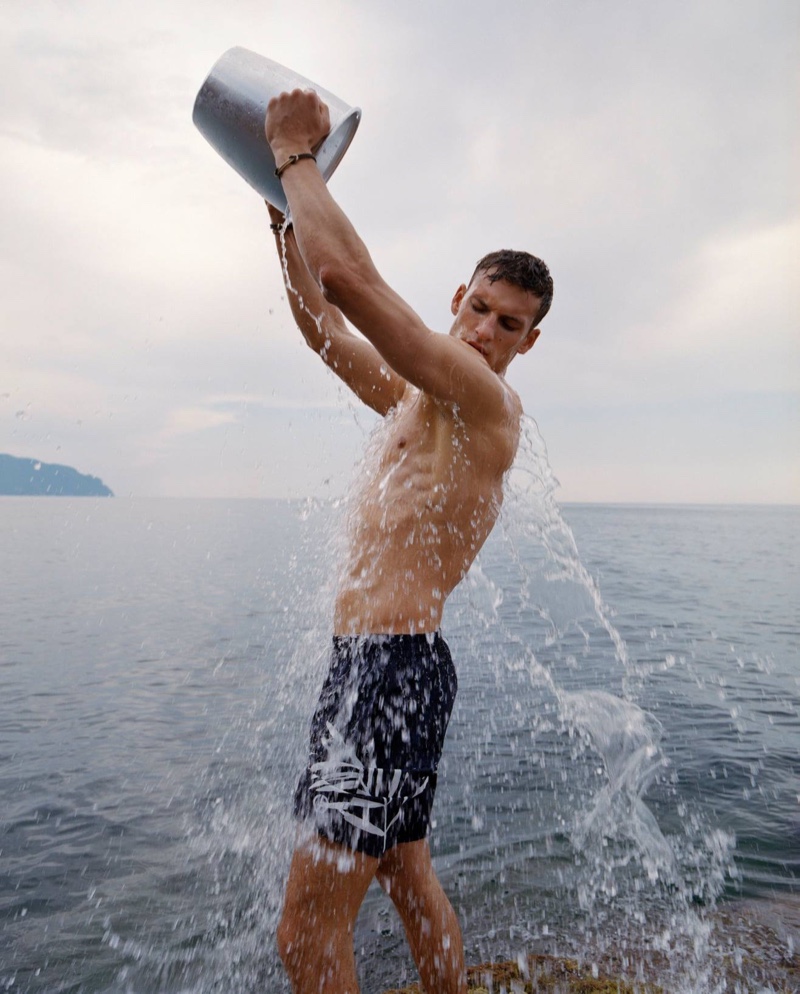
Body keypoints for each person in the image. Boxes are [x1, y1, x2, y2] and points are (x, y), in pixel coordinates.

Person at [264, 89, 553, 994]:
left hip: (388, 677)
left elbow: (350, 279)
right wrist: (282, 223)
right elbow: (324, 326)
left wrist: (293, 155)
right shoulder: (414, 399)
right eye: (478, 308)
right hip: (386, 669)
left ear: (529, 341)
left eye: (509, 324)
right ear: (457, 298)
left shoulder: (486, 404)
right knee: (404, 871)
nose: (485, 331)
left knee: (305, 939)